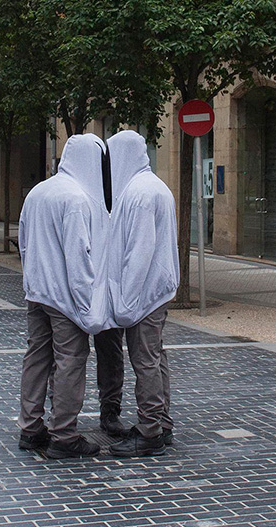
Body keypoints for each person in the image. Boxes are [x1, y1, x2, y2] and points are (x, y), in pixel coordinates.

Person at [17, 133, 111, 459]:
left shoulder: (39, 192)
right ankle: (64, 434)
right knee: (71, 360)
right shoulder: (76, 200)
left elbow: (24, 241)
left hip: (37, 292)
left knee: (37, 357)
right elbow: (79, 259)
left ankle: (30, 428)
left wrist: (32, 280)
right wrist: (88, 308)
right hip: (64, 298)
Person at [105, 130, 180, 457]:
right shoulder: (155, 186)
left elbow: (139, 251)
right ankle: (161, 422)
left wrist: (127, 301)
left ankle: (149, 429)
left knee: (145, 359)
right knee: (156, 355)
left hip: (144, 294)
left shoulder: (137, 193)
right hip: (156, 291)